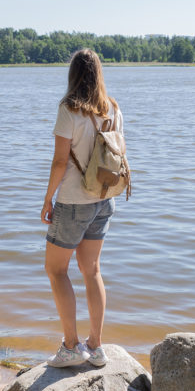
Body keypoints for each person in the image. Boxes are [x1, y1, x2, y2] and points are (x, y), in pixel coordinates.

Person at [40, 48, 122, 368]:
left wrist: (48, 198)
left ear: (73, 75)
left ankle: (72, 347)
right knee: (92, 271)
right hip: (104, 199)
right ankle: (97, 347)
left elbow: (61, 161)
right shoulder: (113, 108)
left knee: (56, 269)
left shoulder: (68, 109)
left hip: (74, 201)